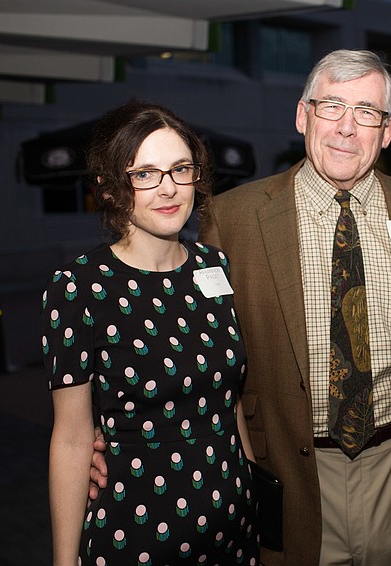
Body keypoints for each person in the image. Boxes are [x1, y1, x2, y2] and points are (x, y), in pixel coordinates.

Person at [91, 49, 391, 565]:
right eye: (331, 106)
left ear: (388, 130)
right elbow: (189, 340)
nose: (347, 128)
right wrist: (105, 426)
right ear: (301, 115)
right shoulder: (232, 219)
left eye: (366, 112)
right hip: (288, 470)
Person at [43, 101, 259, 565]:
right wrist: (64, 560)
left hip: (233, 528)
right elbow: (71, 438)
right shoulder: (79, 287)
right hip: (136, 534)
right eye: (145, 174)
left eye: (180, 169)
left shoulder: (214, 266)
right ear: (108, 187)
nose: (168, 189)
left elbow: (230, 397)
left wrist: (254, 482)